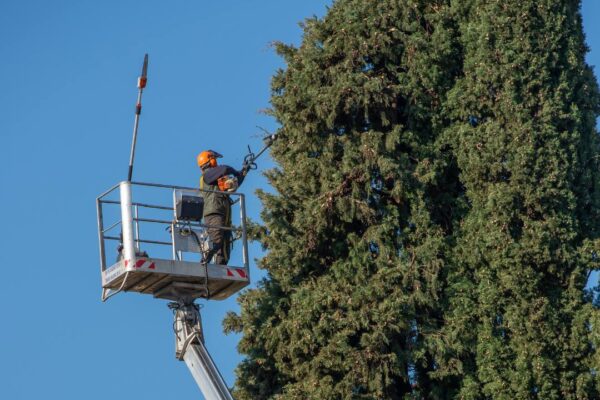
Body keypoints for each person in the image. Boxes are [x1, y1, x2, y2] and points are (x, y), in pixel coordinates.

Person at [197, 150, 247, 265]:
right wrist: (235, 171)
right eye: (214, 159)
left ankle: (220, 267)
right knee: (217, 240)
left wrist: (244, 172)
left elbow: (234, 183)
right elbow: (225, 169)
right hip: (214, 213)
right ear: (210, 160)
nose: (217, 162)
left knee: (224, 248)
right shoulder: (207, 175)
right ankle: (205, 259)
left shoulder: (216, 178)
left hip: (224, 215)